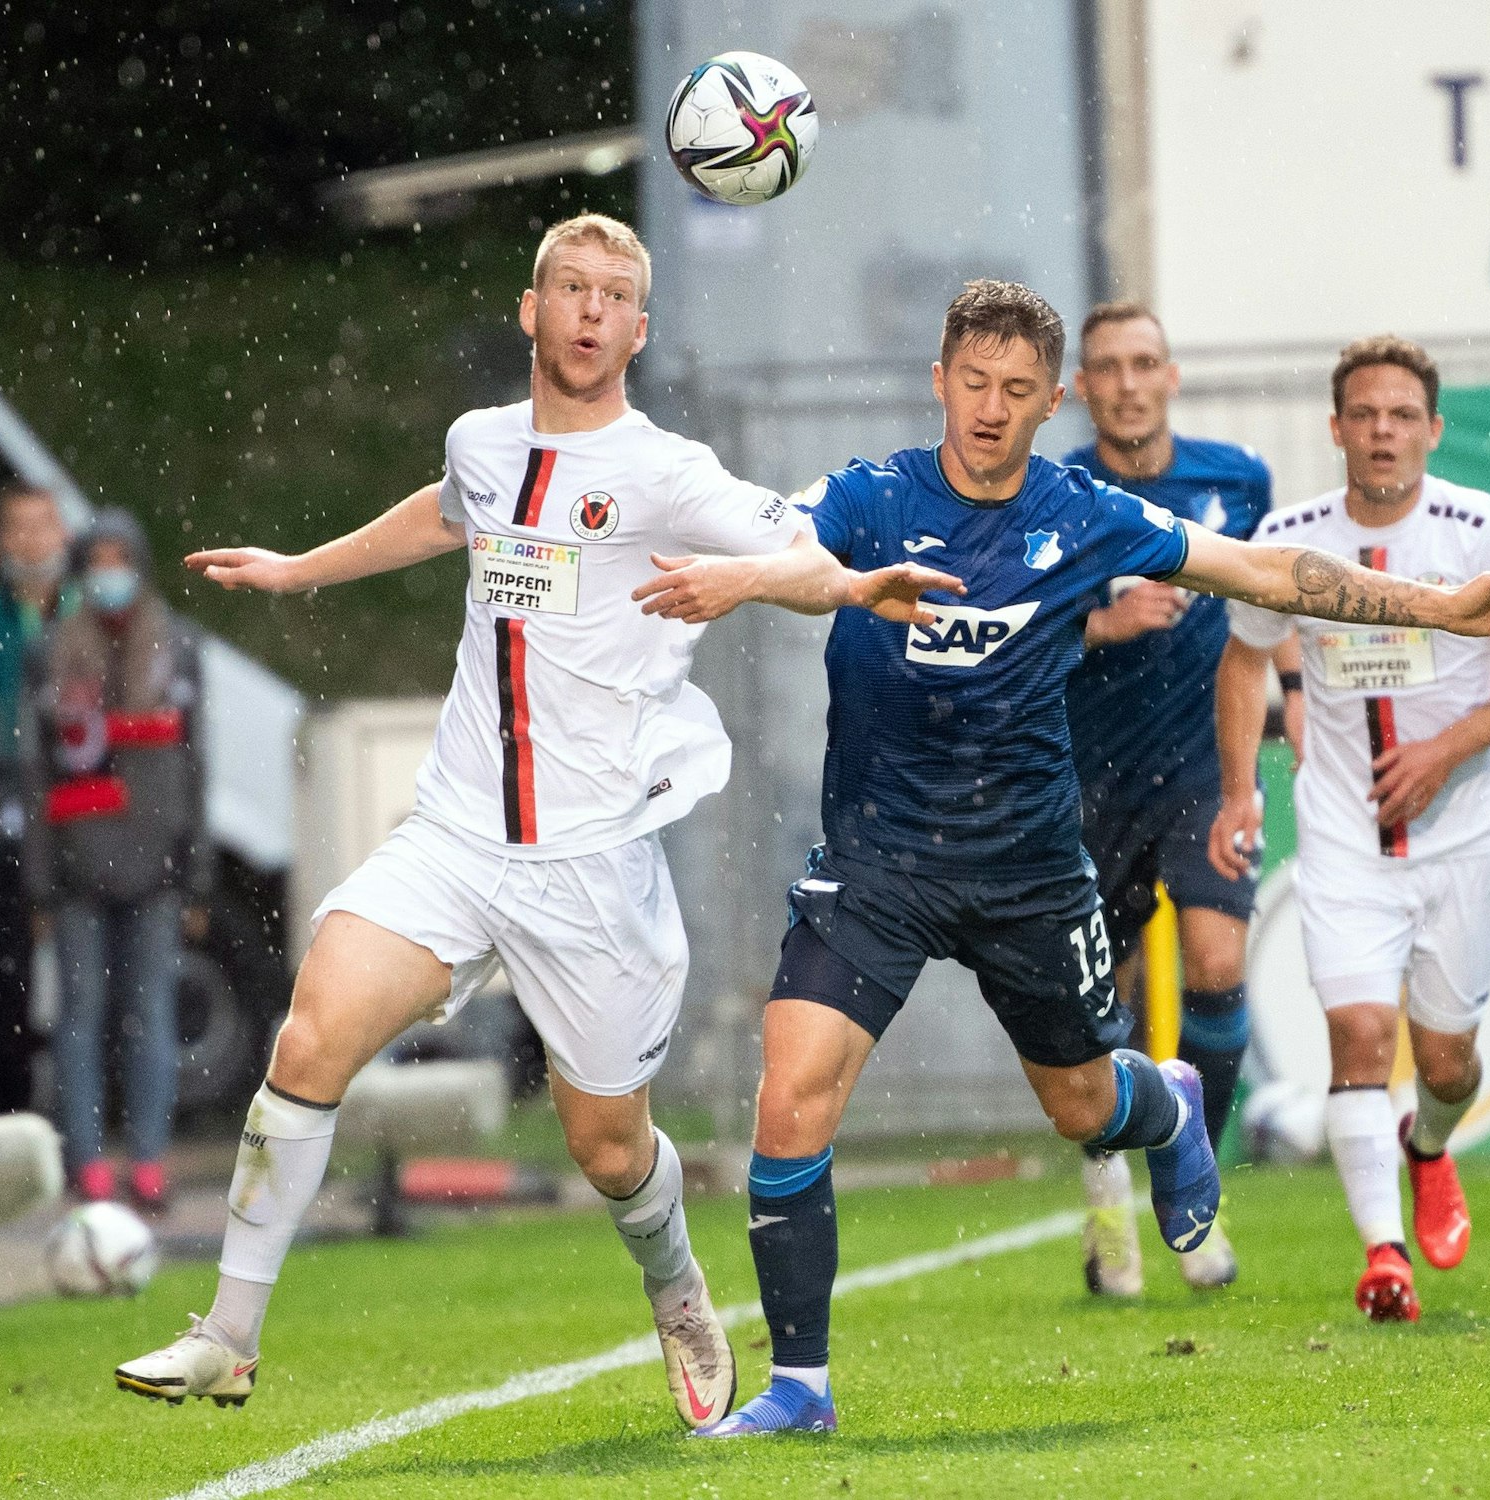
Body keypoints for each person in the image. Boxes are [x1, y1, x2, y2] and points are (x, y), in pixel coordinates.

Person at [630, 281, 1490, 1438]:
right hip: (877, 861)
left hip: (1027, 863)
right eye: (971, 383)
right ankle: (801, 1389)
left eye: (1016, 391)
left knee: (1082, 1106)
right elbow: (791, 552)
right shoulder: (870, 496)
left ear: (1052, 400)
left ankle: (1166, 1108)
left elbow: (1265, 577)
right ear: (938, 380)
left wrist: (1437, 605)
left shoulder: (1085, 513)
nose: (988, 408)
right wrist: (748, 577)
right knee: (790, 1092)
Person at [113, 214, 955, 1428]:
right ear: (531, 307)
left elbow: (805, 552)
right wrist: (300, 567)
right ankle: (228, 1336)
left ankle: (672, 1280)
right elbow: (451, 510)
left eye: (616, 294)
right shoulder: (482, 443)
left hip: (589, 866)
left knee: (610, 1155)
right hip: (453, 837)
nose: (591, 309)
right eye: (572, 286)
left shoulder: (665, 472)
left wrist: (836, 586)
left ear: (640, 329)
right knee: (305, 1045)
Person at [1210, 336, 1490, 1323]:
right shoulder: (1287, 535)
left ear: (1431, 430)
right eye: (1363, 415)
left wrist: (1446, 749)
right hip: (1340, 832)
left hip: (1463, 827)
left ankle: (1427, 1146)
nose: (1381, 432)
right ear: (1334, 429)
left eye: (1400, 416)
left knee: (1445, 1061)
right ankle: (1382, 1257)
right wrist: (1241, 788)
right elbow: (1243, 661)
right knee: (1358, 1036)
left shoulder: (1480, 529)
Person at [1063, 301, 1281, 1295]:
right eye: (1105, 366)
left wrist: (1272, 750)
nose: (1125, 382)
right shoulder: (1055, 493)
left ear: (1170, 376)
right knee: (1085, 1012)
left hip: (1199, 773)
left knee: (1215, 958)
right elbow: (1006, 630)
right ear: (1080, 387)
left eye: (1141, 362)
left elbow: (1267, 618)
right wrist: (1101, 623)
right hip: (1081, 781)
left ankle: (1193, 1180)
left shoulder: (1236, 480)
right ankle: (1103, 1192)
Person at [39, 508, 210, 1212]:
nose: (109, 575)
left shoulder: (177, 647)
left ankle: (148, 1158)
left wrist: (196, 870)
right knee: (81, 1015)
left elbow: (196, 764)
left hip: (157, 860)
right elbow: (35, 769)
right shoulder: (52, 649)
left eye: (120, 560)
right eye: (97, 562)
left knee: (150, 1014)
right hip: (78, 861)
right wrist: (40, 882)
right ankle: (86, 1160)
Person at [0, 483, 75, 1114]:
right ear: (0, 543)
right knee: (7, 980)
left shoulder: (85, 615)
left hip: (78, 810)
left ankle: (92, 1131)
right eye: (20, 529)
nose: (33, 541)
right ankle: (13, 1115)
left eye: (44, 526)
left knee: (92, 981)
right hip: (1, 814)